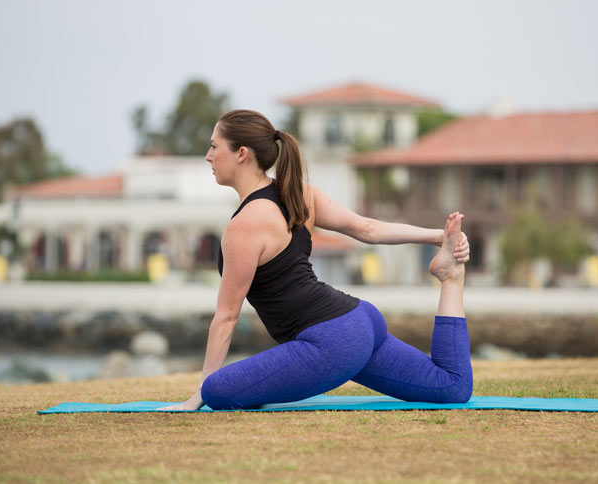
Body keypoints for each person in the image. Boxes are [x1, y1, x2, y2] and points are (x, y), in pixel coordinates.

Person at [159, 109, 472, 411]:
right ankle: (451, 279)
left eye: (214, 146)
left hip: (332, 342)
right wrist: (437, 237)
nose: (208, 156)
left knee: (217, 390)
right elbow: (368, 229)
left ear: (241, 153)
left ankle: (210, 389)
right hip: (361, 320)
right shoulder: (301, 193)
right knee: (451, 386)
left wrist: (201, 392)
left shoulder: (243, 226)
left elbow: (227, 318)